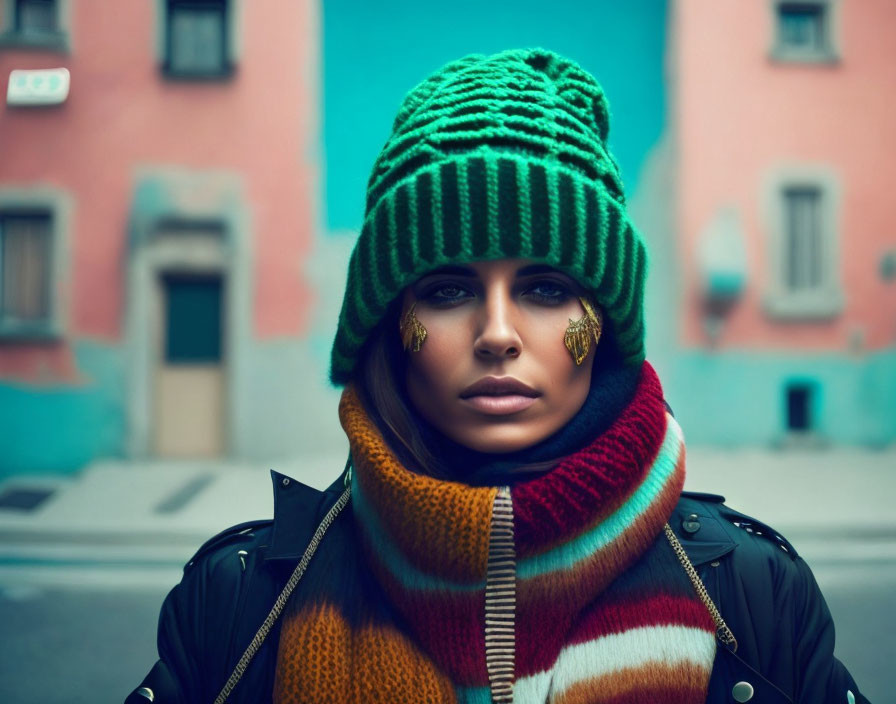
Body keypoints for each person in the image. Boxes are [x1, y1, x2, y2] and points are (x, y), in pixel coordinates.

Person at [127, 49, 868, 704]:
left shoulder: (753, 592)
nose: (499, 336)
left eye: (546, 289)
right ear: (390, 323)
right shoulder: (239, 601)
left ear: (604, 322)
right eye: (448, 291)